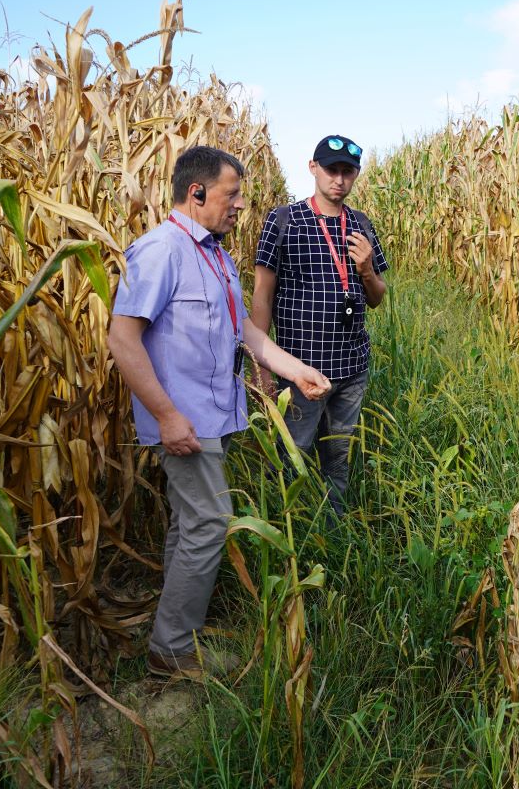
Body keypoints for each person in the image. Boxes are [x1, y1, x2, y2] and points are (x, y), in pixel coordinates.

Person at [108, 146, 330, 679]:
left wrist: (294, 369)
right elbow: (122, 338)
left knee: (191, 523)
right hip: (185, 421)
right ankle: (172, 650)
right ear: (197, 193)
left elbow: (246, 332)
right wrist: (165, 415)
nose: (239, 206)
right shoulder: (161, 251)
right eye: (232, 195)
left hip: (214, 415)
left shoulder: (215, 255)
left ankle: (175, 625)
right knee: (209, 523)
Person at [251, 134, 388, 517]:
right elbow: (262, 297)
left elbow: (377, 297)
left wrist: (365, 270)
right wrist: (261, 366)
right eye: (331, 169)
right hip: (300, 372)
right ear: (313, 168)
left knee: (338, 458)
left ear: (356, 174)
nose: (339, 180)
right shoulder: (283, 221)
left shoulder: (361, 224)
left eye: (348, 172)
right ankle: (282, 529)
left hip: (351, 369)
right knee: (289, 456)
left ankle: (334, 527)